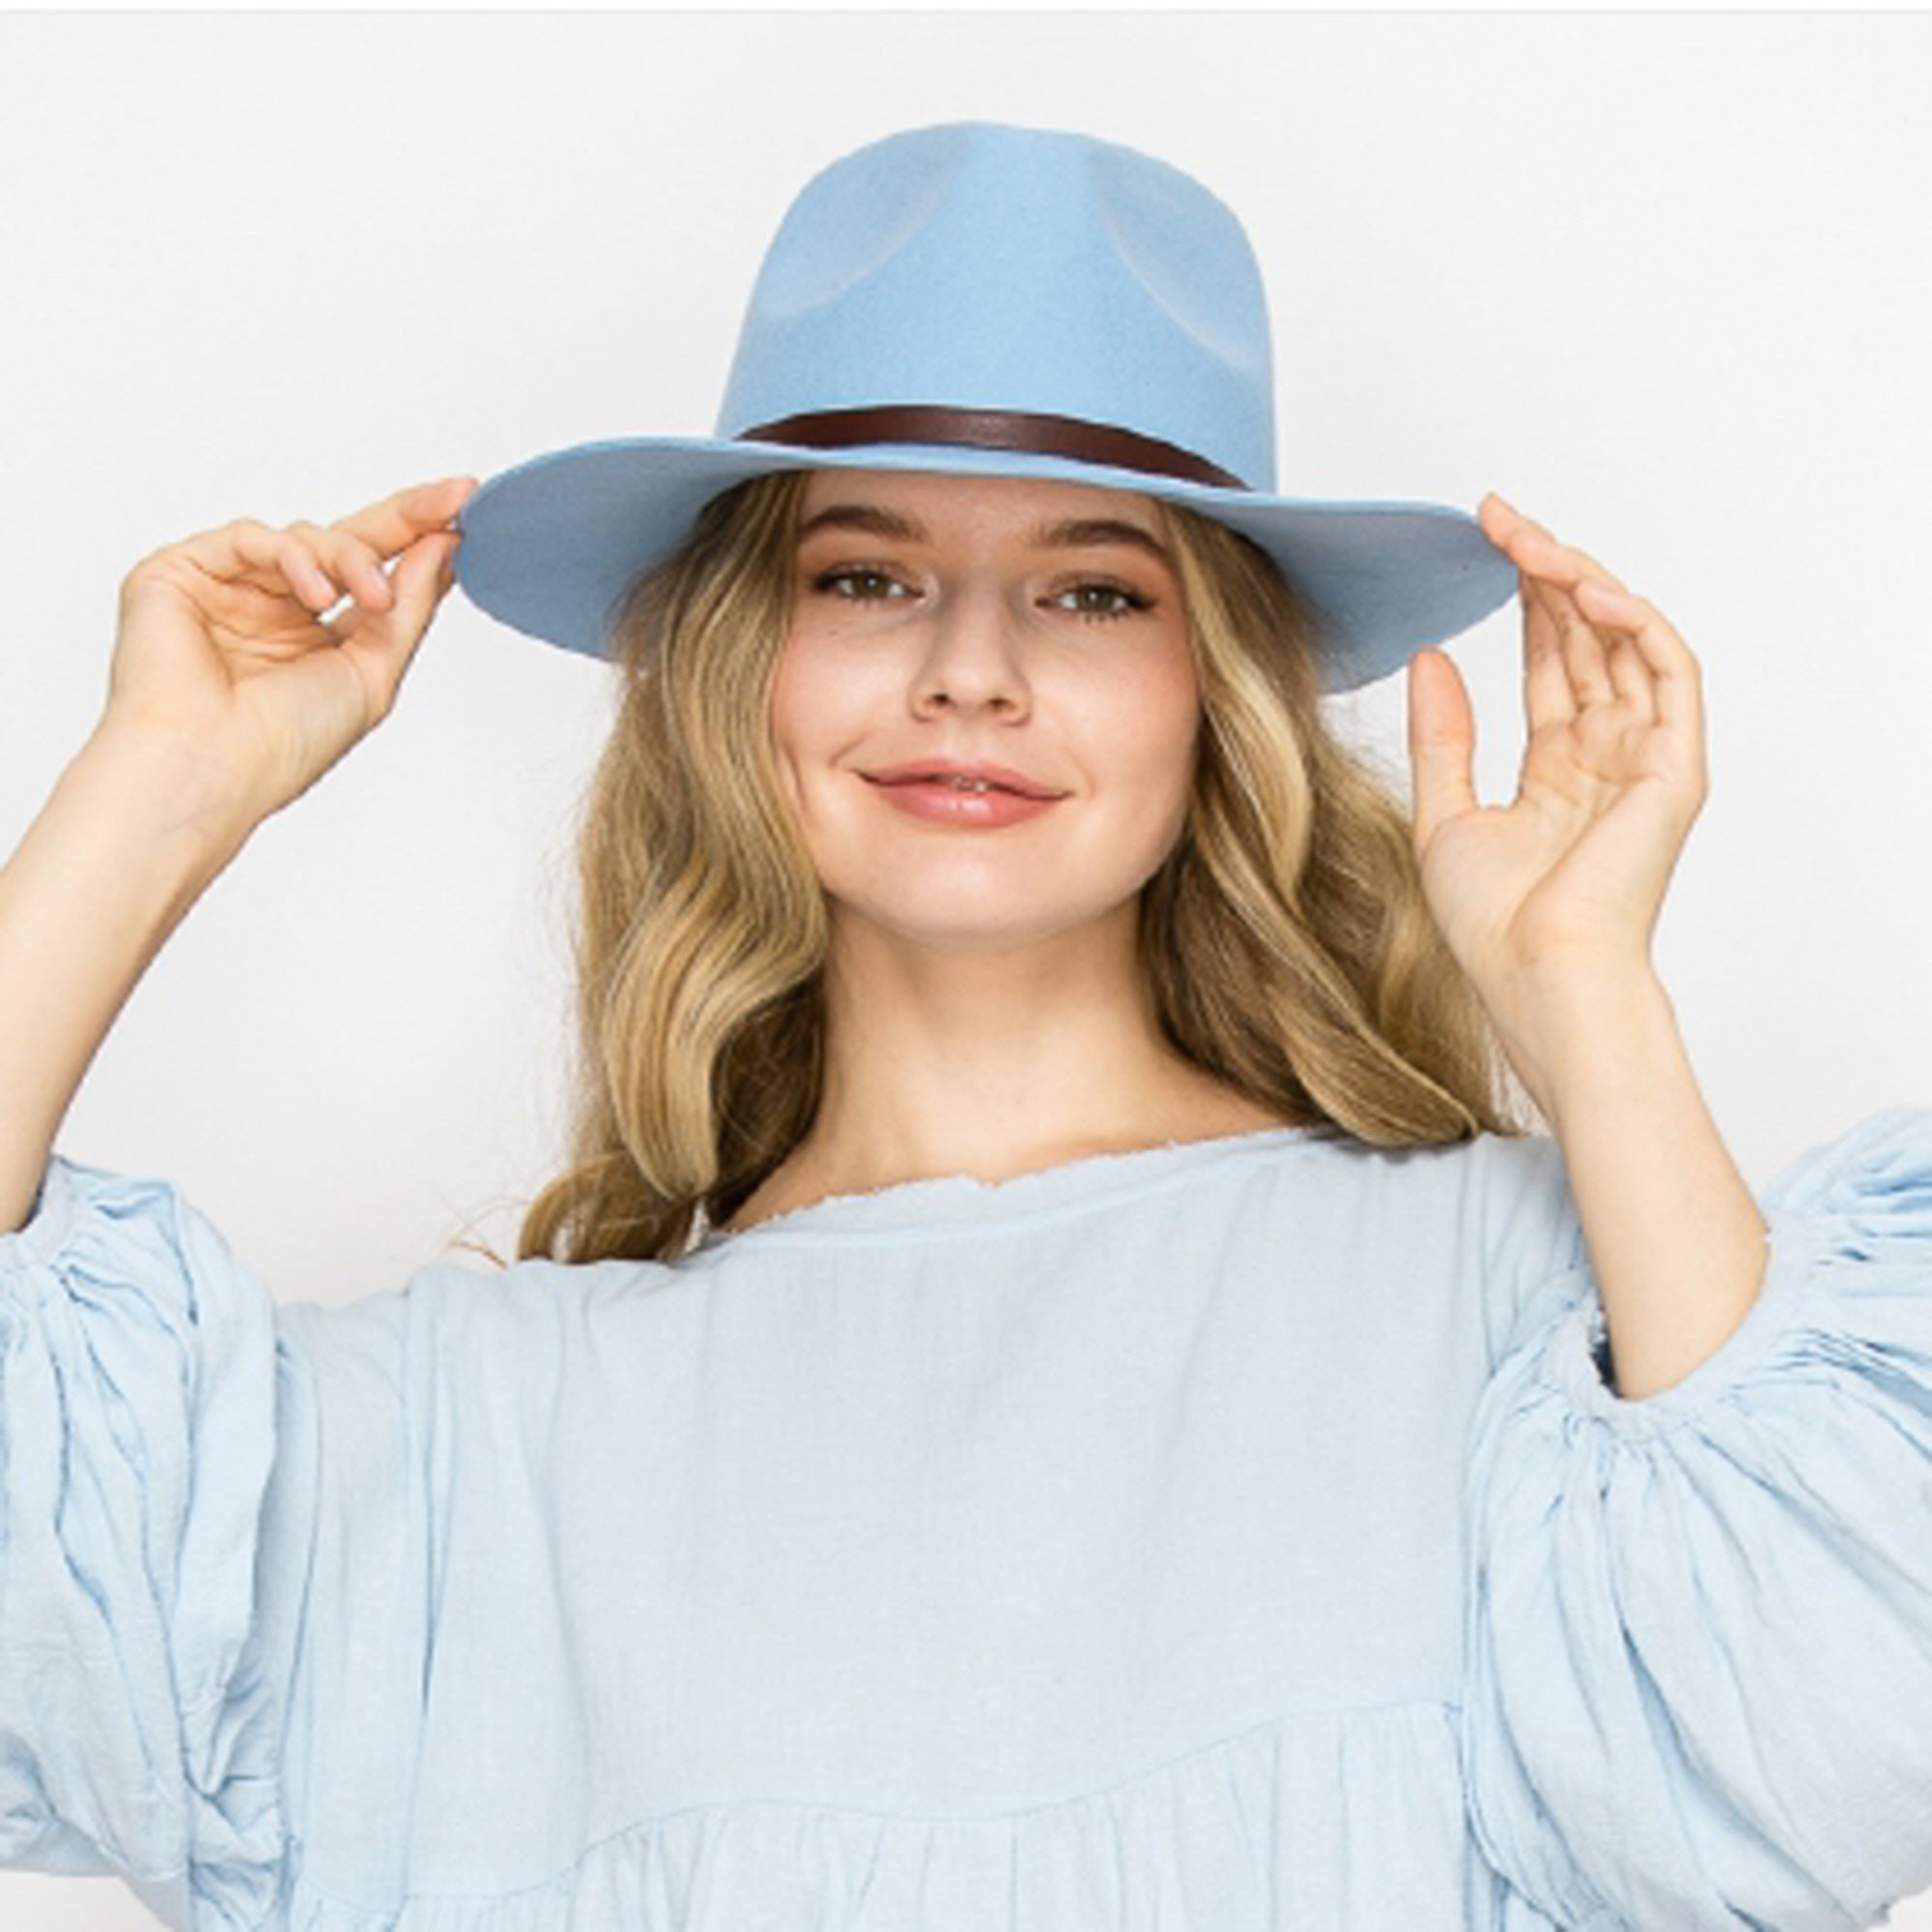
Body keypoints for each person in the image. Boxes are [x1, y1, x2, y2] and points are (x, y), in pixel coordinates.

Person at [2, 117, 1929, 1932]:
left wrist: (1585, 989)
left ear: (1211, 687)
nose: (971, 674)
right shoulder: (464, 1451)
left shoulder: (1521, 1312)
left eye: (1090, 592)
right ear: (742, 662)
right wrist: (155, 790)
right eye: (866, 575)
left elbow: (1822, 1762)